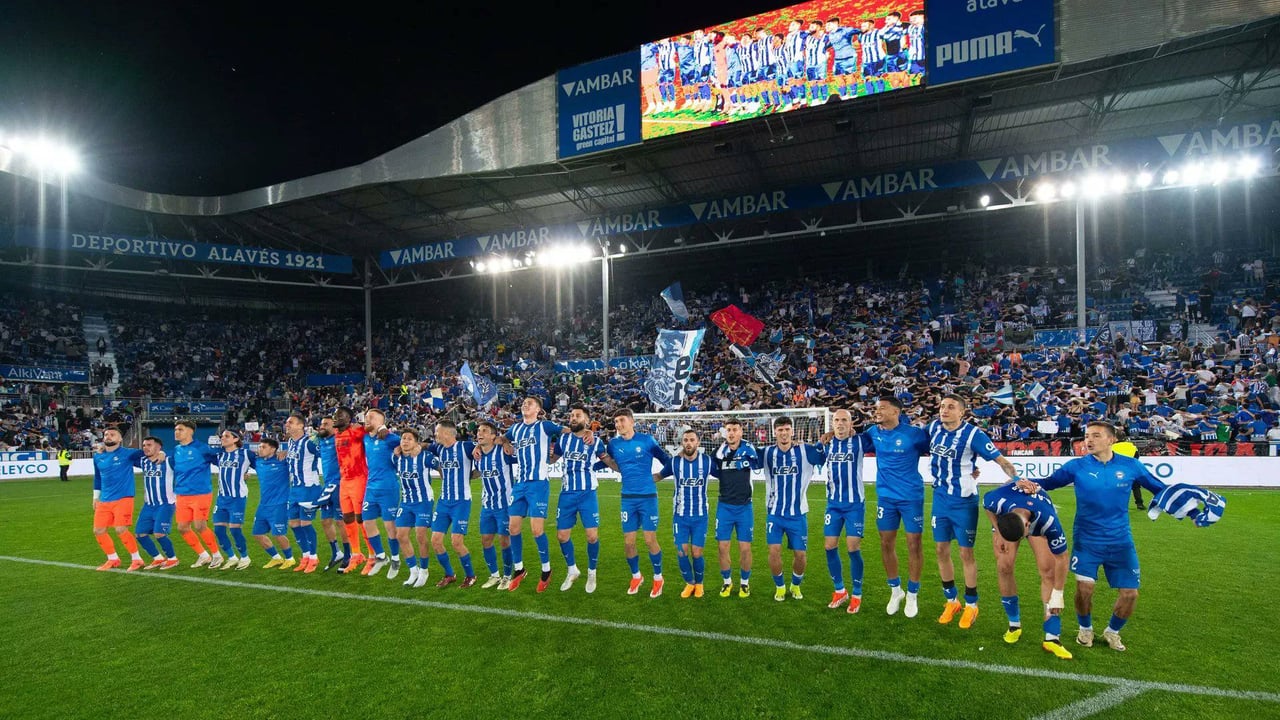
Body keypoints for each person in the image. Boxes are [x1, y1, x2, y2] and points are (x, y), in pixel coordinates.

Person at [1020, 421, 1167, 652]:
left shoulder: (1131, 466)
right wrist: (1024, 484)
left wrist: (1186, 500)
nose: (1088, 440)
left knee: (1130, 594)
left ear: (1111, 439)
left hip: (1121, 540)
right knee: (1085, 589)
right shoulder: (1077, 466)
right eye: (1086, 436)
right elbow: (1048, 483)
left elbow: (1160, 488)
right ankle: (1085, 629)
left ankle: (1112, 632)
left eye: (1095, 436)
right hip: (1087, 539)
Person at [927, 395, 1023, 629]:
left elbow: (1001, 461)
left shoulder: (974, 435)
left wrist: (1019, 479)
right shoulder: (933, 428)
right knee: (940, 549)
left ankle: (971, 604)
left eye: (951, 407)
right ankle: (951, 601)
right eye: (942, 406)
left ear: (962, 412)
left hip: (963, 502)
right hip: (940, 498)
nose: (944, 410)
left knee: (965, 553)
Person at [984, 481, 1073, 660]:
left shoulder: (1048, 522)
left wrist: (1059, 593)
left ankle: (1052, 638)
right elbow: (986, 503)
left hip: (1037, 514)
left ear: (1027, 528)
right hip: (1011, 516)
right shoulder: (998, 501)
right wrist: (998, 531)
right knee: (1003, 566)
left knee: (1049, 571)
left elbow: (1062, 558)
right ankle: (1014, 625)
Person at [864, 397, 931, 617]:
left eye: (882, 408)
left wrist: (973, 466)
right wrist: (830, 435)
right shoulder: (873, 433)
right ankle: (896, 590)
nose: (877, 412)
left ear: (896, 411)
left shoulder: (914, 434)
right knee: (886, 543)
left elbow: (941, 448)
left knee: (914, 544)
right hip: (885, 498)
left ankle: (912, 594)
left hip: (911, 497)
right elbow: (850, 441)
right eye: (876, 409)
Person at [500, 397, 565, 591]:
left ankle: (546, 570)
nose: (525, 404)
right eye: (524, 402)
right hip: (520, 484)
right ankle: (519, 570)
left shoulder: (545, 426)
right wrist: (504, 442)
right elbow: (504, 437)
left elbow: (566, 431)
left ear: (538, 409)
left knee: (537, 530)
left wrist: (584, 431)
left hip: (538, 483)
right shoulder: (516, 429)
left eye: (530, 403)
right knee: (513, 528)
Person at [607, 407, 672, 597]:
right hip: (627, 498)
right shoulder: (613, 444)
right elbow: (605, 460)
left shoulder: (647, 441)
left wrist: (660, 475)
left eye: (622, 420)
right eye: (616, 422)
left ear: (632, 421)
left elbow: (667, 460)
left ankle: (658, 578)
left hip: (647, 497)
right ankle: (636, 576)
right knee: (628, 543)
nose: (619, 425)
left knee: (650, 539)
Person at [761, 416, 824, 602]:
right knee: (773, 551)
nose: (784, 433)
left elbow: (827, 452)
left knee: (800, 555)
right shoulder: (766, 453)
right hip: (774, 514)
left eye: (787, 429)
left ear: (793, 431)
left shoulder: (805, 451)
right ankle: (780, 587)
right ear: (775, 433)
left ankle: (795, 585)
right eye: (780, 430)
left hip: (797, 514)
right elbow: (743, 454)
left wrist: (826, 438)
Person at [551, 405, 610, 593]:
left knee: (592, 536)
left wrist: (596, 467)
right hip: (567, 493)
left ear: (586, 419)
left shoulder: (595, 440)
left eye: (577, 415)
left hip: (587, 493)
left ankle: (592, 572)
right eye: (571, 415)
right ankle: (572, 570)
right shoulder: (563, 439)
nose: (573, 418)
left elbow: (606, 460)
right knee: (562, 536)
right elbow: (552, 459)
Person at [816, 409, 867, 613]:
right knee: (829, 546)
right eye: (836, 420)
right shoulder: (827, 444)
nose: (840, 423)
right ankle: (839, 590)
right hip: (833, 505)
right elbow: (811, 457)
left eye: (844, 420)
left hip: (855, 504)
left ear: (850, 423)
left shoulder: (861, 441)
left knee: (853, 547)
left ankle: (856, 593)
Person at [660, 429, 717, 598]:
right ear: (682, 442)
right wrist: (637, 479)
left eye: (692, 440)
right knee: (681, 551)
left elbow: (724, 476)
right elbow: (659, 475)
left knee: (697, 552)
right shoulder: (675, 462)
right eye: (685, 440)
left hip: (700, 516)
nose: (688, 443)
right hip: (680, 515)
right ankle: (689, 583)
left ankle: (699, 584)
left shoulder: (707, 462)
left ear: (698, 443)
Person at [713, 418, 762, 597]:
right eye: (728, 430)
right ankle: (727, 582)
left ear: (741, 432)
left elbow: (759, 463)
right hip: (724, 506)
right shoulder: (719, 452)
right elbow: (713, 469)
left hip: (744, 507)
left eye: (735, 429)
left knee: (745, 548)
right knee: (722, 547)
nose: (731, 433)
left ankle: (744, 583)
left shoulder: (750, 450)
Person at [427, 420, 478, 589]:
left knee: (456, 542)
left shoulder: (467, 447)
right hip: (443, 502)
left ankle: (471, 575)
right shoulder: (438, 448)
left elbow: (484, 455)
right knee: (435, 541)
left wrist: (472, 475)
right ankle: (450, 574)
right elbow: (422, 445)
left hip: (461, 502)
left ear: (449, 433)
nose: (435, 435)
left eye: (437, 432)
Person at [90, 427, 146, 571]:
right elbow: (97, 478)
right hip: (104, 499)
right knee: (98, 530)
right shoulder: (98, 456)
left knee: (121, 529)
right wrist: (96, 497)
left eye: (113, 434)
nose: (108, 436)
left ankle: (136, 559)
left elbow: (149, 452)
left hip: (124, 497)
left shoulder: (128, 454)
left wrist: (163, 453)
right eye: (106, 434)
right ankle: (113, 559)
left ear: (120, 439)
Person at [171, 421, 224, 568]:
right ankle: (203, 555)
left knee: (200, 525)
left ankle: (217, 555)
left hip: (200, 493)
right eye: (175, 429)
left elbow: (223, 462)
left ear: (190, 432)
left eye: (180, 429)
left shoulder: (202, 449)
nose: (176, 432)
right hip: (181, 494)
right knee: (182, 527)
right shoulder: (176, 449)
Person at [474, 421, 517, 588]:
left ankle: (507, 575)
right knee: (486, 540)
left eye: (484, 431)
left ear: (494, 436)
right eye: (478, 430)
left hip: (505, 505)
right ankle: (494, 575)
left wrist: (505, 441)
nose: (480, 433)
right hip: (487, 505)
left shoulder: (503, 452)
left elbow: (521, 453)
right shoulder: (477, 456)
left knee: (504, 541)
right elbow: (477, 472)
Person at [327, 407, 370, 573]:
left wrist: (378, 429)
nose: (336, 417)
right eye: (335, 415)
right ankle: (356, 554)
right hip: (344, 480)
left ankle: (373, 556)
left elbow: (371, 430)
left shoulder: (357, 430)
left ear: (349, 418)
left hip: (359, 478)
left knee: (361, 519)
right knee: (347, 519)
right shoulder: (337, 434)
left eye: (340, 415)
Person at [360, 408, 401, 577]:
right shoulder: (365, 438)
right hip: (371, 487)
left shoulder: (389, 438)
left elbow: (405, 442)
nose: (367, 420)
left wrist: (396, 444)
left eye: (371, 417)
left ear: (381, 421)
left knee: (389, 526)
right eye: (366, 417)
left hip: (388, 487)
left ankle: (396, 559)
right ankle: (381, 557)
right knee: (367, 522)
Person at [394, 428, 435, 589]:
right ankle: (413, 570)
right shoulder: (395, 458)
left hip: (424, 501)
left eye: (409, 439)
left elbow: (440, 461)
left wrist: (424, 446)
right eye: (403, 438)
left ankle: (424, 571)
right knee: (401, 535)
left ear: (416, 442)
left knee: (420, 536)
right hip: (406, 502)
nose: (405, 441)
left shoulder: (425, 457)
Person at [284, 413, 323, 573]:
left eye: (291, 422)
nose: (287, 425)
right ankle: (305, 555)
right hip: (295, 489)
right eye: (287, 422)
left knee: (305, 523)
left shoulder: (310, 442)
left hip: (309, 489)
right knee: (293, 523)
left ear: (301, 425)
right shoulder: (290, 442)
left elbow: (326, 455)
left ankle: (314, 557)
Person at [312, 416, 351, 571]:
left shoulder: (339, 439)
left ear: (334, 427)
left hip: (340, 484)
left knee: (341, 521)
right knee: (325, 521)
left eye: (326, 424)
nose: (322, 426)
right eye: (321, 424)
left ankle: (349, 555)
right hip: (328, 485)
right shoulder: (320, 440)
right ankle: (337, 552)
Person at [212, 429, 254, 571]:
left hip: (237, 498)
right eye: (222, 436)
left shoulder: (246, 454)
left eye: (226, 436)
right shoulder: (219, 455)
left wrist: (246, 473)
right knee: (218, 530)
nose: (222, 438)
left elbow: (263, 465)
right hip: (222, 498)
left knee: (235, 529)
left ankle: (245, 557)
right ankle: (231, 557)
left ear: (236, 439)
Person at [136, 436, 180, 570]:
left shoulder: (168, 461)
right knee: (140, 534)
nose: (145, 448)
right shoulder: (143, 461)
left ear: (159, 447)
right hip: (149, 505)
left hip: (165, 504)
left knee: (159, 533)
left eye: (149, 445)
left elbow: (179, 455)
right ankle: (158, 558)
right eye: (144, 445)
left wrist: (163, 453)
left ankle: (172, 559)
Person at [250, 439, 295, 568]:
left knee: (278, 533)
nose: (260, 449)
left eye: (263, 447)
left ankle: (290, 558)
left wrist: (287, 451)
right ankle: (276, 558)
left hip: (280, 504)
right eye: (259, 447)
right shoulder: (258, 462)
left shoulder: (283, 461)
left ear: (273, 449)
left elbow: (300, 454)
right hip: (263, 504)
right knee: (257, 533)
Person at [1111, 432, 1145, 510]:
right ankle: (1139, 504)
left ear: (1115, 438)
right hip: (1131, 469)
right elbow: (1136, 457)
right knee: (1136, 487)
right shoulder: (1132, 446)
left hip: (1118, 470)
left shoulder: (1112, 447)